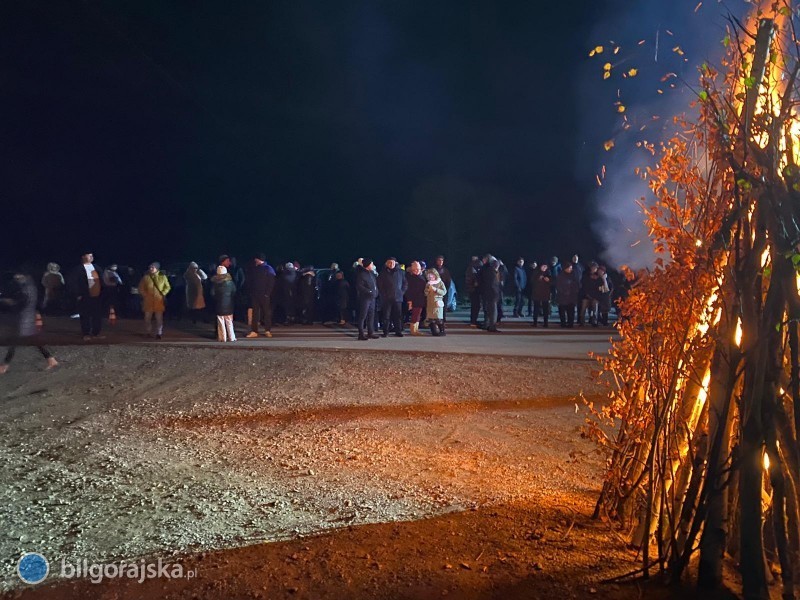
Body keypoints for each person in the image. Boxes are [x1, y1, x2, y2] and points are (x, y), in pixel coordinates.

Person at [0, 273, 58, 374]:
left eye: (17, 277)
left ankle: (4, 366)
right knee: (32, 340)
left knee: (15, 341)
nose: (16, 279)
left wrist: (7, 302)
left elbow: (21, 304)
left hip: (24, 318)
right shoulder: (31, 287)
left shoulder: (25, 289)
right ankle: (51, 359)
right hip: (28, 317)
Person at [67, 252, 104, 341]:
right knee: (85, 315)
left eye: (92, 255)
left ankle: (96, 333)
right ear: (83, 257)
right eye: (89, 255)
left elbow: (102, 280)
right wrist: (78, 294)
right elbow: (73, 283)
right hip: (85, 295)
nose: (91, 257)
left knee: (97, 315)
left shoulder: (97, 268)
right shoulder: (78, 269)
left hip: (97, 295)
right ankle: (86, 333)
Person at [245, 253, 276, 337]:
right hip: (256, 294)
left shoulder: (268, 269)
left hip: (264, 295)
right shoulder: (256, 269)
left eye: (256, 259)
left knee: (266, 313)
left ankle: (267, 330)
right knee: (256, 313)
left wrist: (267, 293)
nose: (255, 261)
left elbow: (271, 282)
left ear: (258, 259)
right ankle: (255, 331)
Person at [138, 262, 171, 339]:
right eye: (150, 267)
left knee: (159, 318)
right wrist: (145, 295)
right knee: (147, 318)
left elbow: (168, 287)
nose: (151, 269)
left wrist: (163, 293)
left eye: (153, 267)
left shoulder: (162, 277)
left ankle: (159, 333)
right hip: (148, 301)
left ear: (157, 268)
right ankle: (148, 332)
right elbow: (141, 288)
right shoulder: (145, 277)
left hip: (158, 301)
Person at [377, 257, 407, 337]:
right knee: (386, 316)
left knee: (398, 316)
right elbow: (380, 285)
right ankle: (385, 332)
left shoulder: (401, 272)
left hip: (398, 298)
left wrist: (402, 292)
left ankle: (398, 331)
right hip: (387, 298)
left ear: (395, 263)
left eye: (393, 263)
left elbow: (405, 283)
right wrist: (383, 294)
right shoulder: (383, 273)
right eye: (389, 263)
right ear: (386, 263)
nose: (391, 264)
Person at [355, 259, 379, 341]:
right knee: (363, 316)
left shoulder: (371, 273)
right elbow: (359, 286)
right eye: (371, 264)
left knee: (371, 316)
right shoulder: (361, 274)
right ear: (368, 265)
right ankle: (361, 334)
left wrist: (376, 292)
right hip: (365, 298)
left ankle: (370, 332)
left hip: (372, 298)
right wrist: (369, 291)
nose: (373, 265)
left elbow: (375, 284)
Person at [211, 265, 236, 342]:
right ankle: (232, 337)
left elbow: (212, 293)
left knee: (220, 322)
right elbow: (234, 292)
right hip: (229, 305)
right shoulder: (230, 283)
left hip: (219, 304)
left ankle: (222, 338)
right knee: (229, 322)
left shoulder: (215, 283)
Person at [479, 255, 500, 332]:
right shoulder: (491, 270)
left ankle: (487, 324)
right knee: (493, 310)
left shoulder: (484, 269)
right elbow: (494, 283)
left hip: (486, 292)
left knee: (487, 310)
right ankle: (492, 326)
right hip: (492, 292)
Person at [405, 261, 426, 336]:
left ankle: (416, 329)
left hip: (420, 299)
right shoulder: (410, 278)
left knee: (418, 315)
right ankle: (413, 330)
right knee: (415, 315)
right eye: (415, 270)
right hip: (414, 299)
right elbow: (409, 290)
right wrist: (409, 301)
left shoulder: (421, 277)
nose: (416, 271)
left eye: (418, 269)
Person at [556, 263, 579, 328]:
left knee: (571, 311)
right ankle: (563, 323)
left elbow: (577, 284)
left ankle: (570, 323)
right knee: (562, 311)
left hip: (571, 296)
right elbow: (558, 285)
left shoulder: (573, 275)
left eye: (571, 268)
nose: (570, 269)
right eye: (569, 268)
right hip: (562, 296)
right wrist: (563, 291)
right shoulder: (560, 275)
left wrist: (574, 291)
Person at [424, 269, 447, 336]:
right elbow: (425, 293)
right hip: (430, 303)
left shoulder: (440, 282)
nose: (430, 277)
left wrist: (436, 290)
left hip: (437, 303)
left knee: (438, 318)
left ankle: (442, 331)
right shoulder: (428, 283)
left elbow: (444, 292)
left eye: (432, 275)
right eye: (429, 275)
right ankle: (434, 332)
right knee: (431, 319)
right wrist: (427, 290)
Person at [531, 262, 552, 327]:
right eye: (543, 266)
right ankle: (535, 322)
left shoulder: (548, 273)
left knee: (545, 309)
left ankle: (546, 323)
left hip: (545, 294)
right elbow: (532, 281)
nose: (544, 268)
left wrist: (549, 280)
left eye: (545, 267)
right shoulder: (536, 272)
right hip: (537, 293)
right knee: (536, 308)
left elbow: (553, 282)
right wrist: (538, 279)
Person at [465, 256, 482, 327]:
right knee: (475, 306)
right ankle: (473, 321)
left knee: (475, 306)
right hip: (474, 289)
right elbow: (469, 278)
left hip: (473, 289)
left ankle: (473, 320)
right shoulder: (473, 267)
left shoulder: (472, 267)